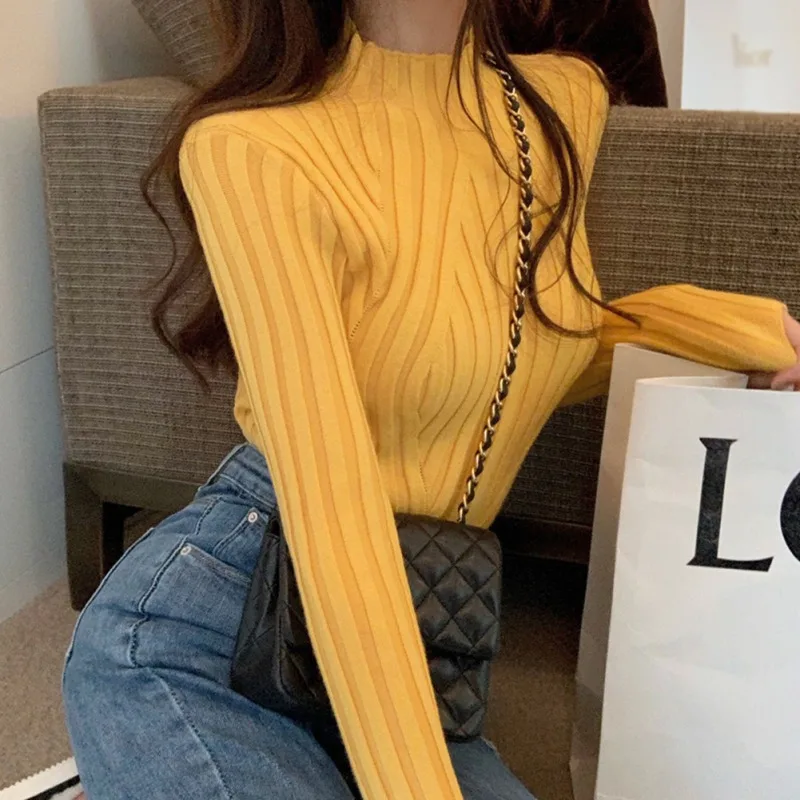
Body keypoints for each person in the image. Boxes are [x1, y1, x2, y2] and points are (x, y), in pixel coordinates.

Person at [61, 0, 800, 798]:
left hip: (418, 616)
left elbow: (532, 350)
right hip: (226, 612)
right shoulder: (252, 150)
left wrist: (751, 332)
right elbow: (332, 505)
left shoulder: (561, 104)